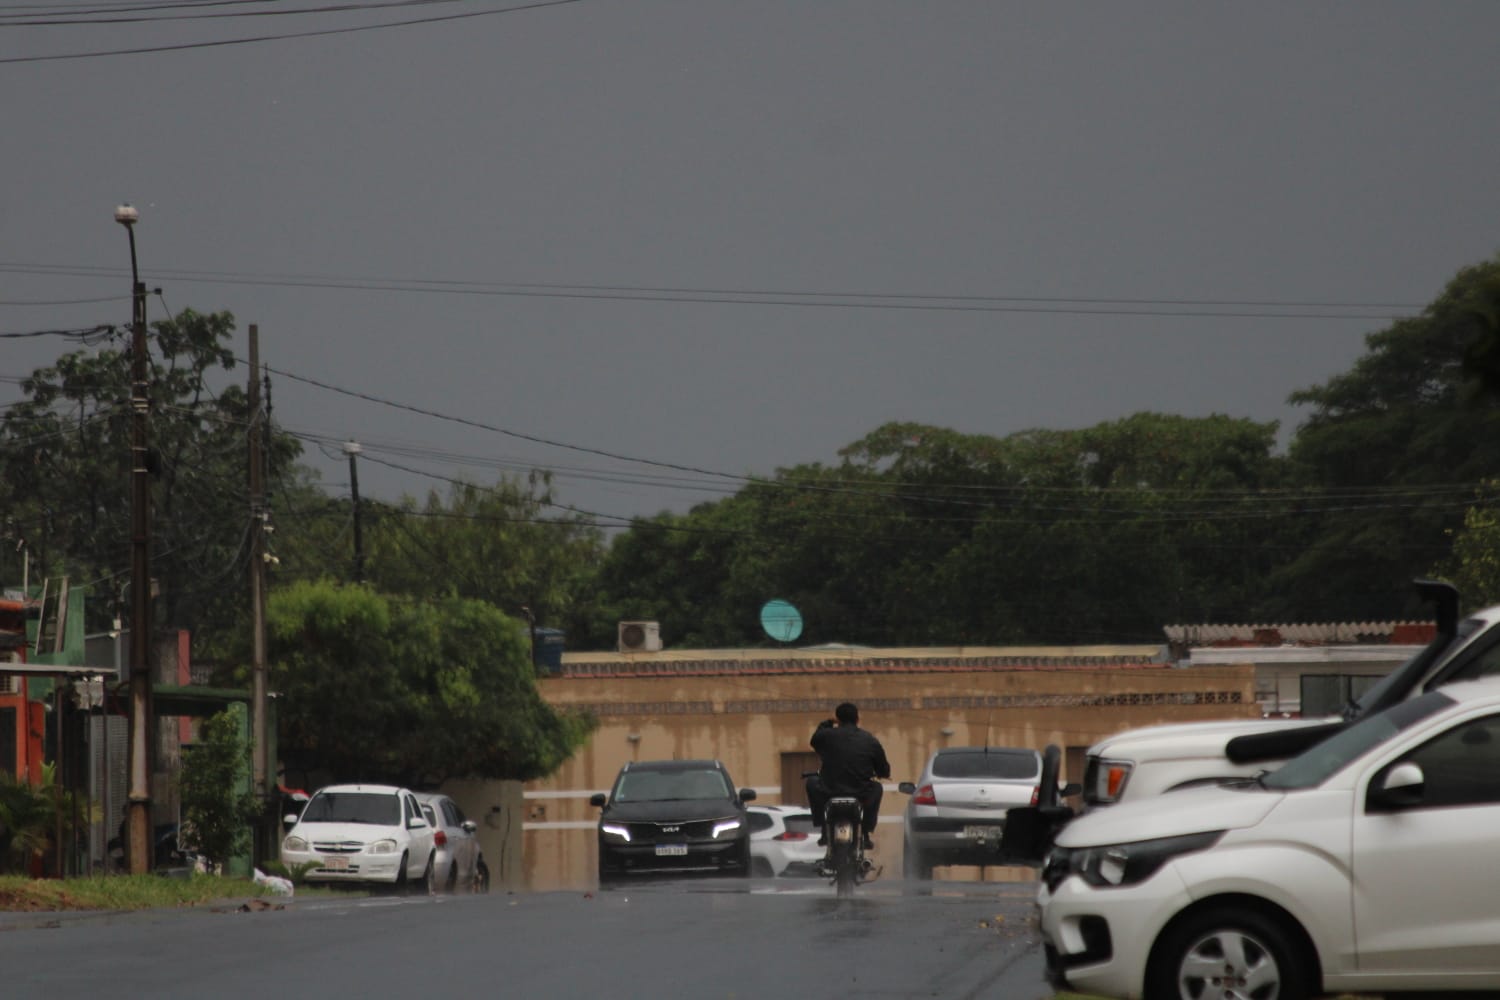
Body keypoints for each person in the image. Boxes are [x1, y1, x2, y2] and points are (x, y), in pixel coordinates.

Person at [805, 702, 890, 850]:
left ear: (838, 719)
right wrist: (883, 773)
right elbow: (883, 768)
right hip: (860, 793)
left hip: (829, 791)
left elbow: (814, 740)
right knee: (877, 787)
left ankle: (823, 827)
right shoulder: (869, 740)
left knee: (811, 782)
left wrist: (827, 723)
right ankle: (865, 831)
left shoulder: (827, 735)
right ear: (857, 719)